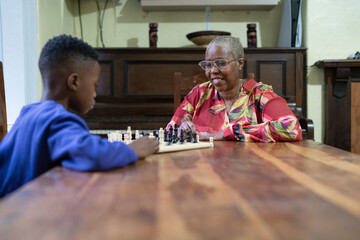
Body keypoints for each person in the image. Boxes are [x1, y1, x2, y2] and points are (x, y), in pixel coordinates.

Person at [0, 35, 159, 198]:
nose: (95, 94)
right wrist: (132, 149)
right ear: (74, 82)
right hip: (18, 213)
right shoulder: (58, 120)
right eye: (94, 85)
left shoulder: (27, 113)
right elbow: (91, 153)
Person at [167, 36, 302, 142]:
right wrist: (182, 127)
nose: (212, 70)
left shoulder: (259, 94)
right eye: (208, 64)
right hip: (205, 169)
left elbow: (291, 128)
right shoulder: (199, 93)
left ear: (240, 63)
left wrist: (227, 133)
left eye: (220, 63)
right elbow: (171, 129)